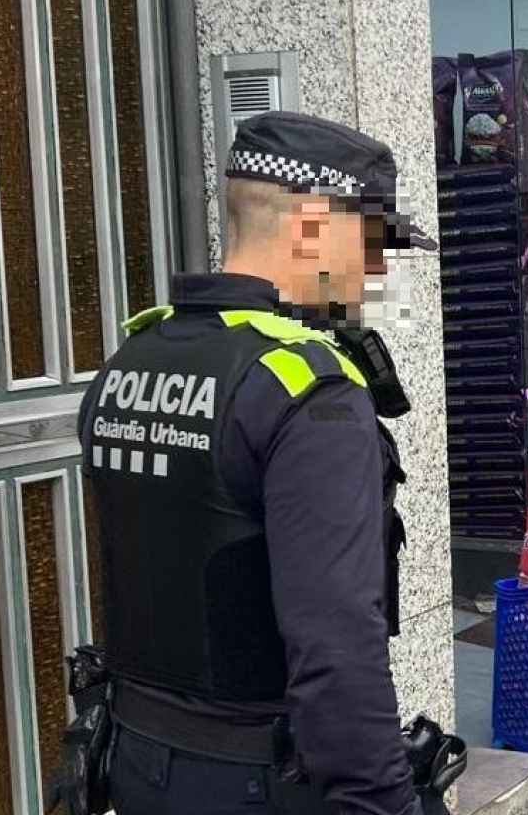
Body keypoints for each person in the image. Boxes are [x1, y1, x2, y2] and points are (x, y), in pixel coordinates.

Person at [75, 111, 436, 815]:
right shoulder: (307, 388)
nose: (380, 270)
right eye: (374, 242)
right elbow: (336, 645)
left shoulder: (131, 361)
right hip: (259, 779)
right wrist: (386, 803)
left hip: (134, 759)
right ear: (313, 227)